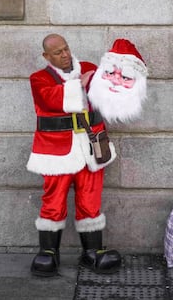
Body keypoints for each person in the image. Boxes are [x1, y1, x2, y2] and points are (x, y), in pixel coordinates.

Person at [26, 33, 120, 277]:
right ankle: (49, 252)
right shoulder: (39, 79)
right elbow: (51, 99)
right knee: (53, 201)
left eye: (66, 49)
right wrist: (79, 84)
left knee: (90, 201)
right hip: (57, 153)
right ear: (47, 56)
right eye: (58, 52)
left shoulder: (89, 68)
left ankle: (92, 253)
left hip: (91, 149)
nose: (65, 54)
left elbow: (111, 90)